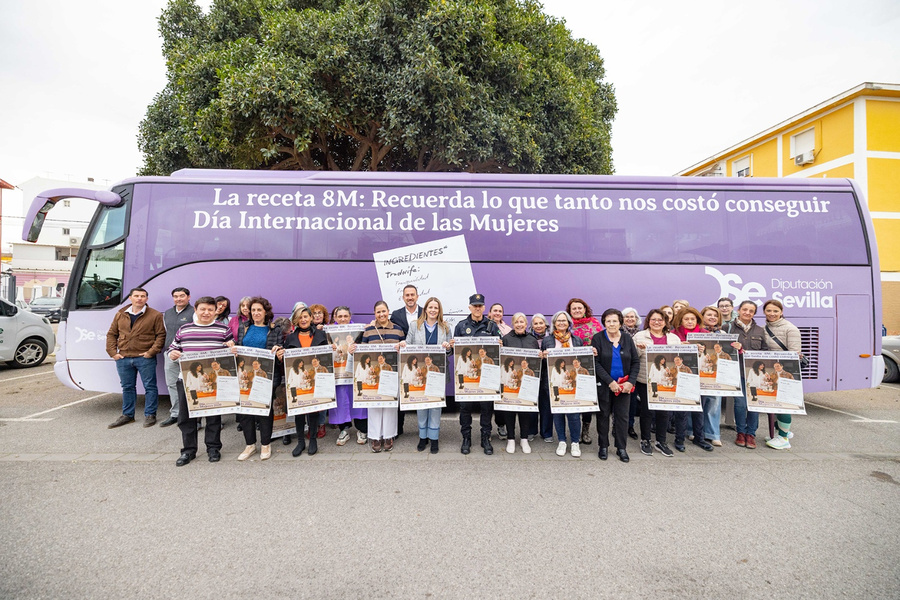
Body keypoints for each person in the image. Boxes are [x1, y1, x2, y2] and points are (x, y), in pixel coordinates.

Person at [166, 296, 235, 466]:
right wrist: (172, 354)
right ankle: (188, 451)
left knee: (213, 416)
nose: (206, 313)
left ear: (215, 311)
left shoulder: (223, 329)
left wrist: (233, 349)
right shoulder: (184, 329)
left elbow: (230, 347)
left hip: (212, 382)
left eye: (210, 310)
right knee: (186, 417)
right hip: (187, 380)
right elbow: (173, 348)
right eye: (203, 309)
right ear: (195, 310)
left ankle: (213, 448)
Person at [106, 287, 166, 428]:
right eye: (136, 296)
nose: (139, 298)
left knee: (150, 387)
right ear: (130, 298)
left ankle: (150, 414)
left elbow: (161, 335)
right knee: (127, 387)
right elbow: (111, 334)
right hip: (124, 357)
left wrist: (151, 352)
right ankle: (128, 415)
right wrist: (113, 353)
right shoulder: (120, 314)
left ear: (147, 299)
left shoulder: (155, 315)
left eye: (143, 296)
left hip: (145, 358)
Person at [236, 296, 286, 461]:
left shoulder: (275, 329)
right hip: (245, 376)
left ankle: (265, 444)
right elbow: (239, 347)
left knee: (264, 410)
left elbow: (281, 352)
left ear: (266, 312)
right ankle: (250, 445)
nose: (256, 313)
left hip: (266, 376)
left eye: (259, 310)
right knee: (245, 412)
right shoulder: (244, 328)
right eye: (253, 310)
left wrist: (279, 352)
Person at [403, 296, 453, 454]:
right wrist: (402, 345)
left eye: (436, 308)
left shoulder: (445, 327)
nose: (433, 310)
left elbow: (450, 351)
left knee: (436, 405)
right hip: (420, 372)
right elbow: (408, 345)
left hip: (437, 372)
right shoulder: (414, 325)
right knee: (421, 404)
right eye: (430, 307)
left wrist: (447, 347)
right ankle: (423, 437)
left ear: (439, 311)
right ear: (425, 309)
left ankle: (434, 438)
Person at [277, 305, 328, 457]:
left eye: (306, 316)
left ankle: (312, 440)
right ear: (296, 320)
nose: (303, 319)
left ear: (311, 318)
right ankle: (300, 442)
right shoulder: (291, 338)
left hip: (315, 380)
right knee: (298, 412)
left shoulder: (321, 335)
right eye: (300, 317)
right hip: (297, 382)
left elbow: (326, 358)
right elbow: (286, 362)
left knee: (313, 411)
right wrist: (281, 357)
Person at [453, 293, 501, 455]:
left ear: (484, 308)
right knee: (465, 408)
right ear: (470, 307)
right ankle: (466, 438)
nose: (477, 308)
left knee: (486, 408)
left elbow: (498, 354)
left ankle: (485, 438)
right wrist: (452, 346)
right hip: (467, 378)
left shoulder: (492, 326)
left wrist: (500, 345)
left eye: (480, 306)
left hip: (486, 377)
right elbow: (455, 354)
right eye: (475, 305)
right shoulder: (461, 326)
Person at [591, 308, 640, 463]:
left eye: (614, 321)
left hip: (624, 386)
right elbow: (596, 363)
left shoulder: (626, 338)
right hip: (605, 385)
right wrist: (610, 382)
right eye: (608, 321)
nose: (611, 324)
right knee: (603, 416)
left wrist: (630, 382)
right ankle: (603, 446)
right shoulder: (598, 338)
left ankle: (621, 448)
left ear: (620, 322)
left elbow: (635, 362)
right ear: (604, 322)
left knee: (622, 418)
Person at [633, 309, 682, 457]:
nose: (656, 322)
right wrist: (640, 349)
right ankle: (645, 440)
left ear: (665, 322)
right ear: (648, 321)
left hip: (666, 382)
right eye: (653, 319)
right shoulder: (640, 336)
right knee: (647, 411)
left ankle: (661, 441)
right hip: (645, 380)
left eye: (660, 319)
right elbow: (633, 358)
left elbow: (680, 357)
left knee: (664, 411)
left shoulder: (674, 338)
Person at [358, 300, 405, 452]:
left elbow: (404, 351)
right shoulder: (369, 330)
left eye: (383, 311)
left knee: (390, 406)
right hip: (374, 375)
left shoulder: (398, 330)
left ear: (388, 311)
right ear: (374, 314)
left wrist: (402, 347)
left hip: (392, 374)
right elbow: (363, 351)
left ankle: (389, 435)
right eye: (378, 312)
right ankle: (375, 437)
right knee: (374, 406)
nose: (381, 314)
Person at [541, 311, 587, 457]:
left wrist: (591, 352)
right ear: (554, 323)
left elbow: (583, 359)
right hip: (554, 383)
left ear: (569, 323)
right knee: (558, 413)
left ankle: (574, 443)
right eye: (558, 321)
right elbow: (544, 364)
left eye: (564, 320)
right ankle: (561, 441)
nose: (561, 323)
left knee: (574, 414)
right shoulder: (548, 341)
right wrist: (542, 356)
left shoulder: (577, 340)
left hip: (573, 383)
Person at [724, 300, 768, 449]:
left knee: (754, 404)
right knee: (741, 404)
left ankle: (751, 434)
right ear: (739, 310)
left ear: (754, 313)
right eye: (745, 309)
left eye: (751, 311)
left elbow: (765, 352)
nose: (747, 313)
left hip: (754, 374)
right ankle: (741, 432)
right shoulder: (728, 328)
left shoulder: (760, 330)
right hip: (737, 373)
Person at [669, 307, 713, 452]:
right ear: (680, 320)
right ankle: (679, 439)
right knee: (682, 410)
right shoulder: (674, 335)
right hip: (682, 378)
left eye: (692, 319)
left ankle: (699, 438)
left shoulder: (706, 334)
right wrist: (680, 346)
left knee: (699, 409)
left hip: (702, 379)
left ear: (698, 320)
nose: (689, 321)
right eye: (686, 319)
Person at [762, 298, 802, 450]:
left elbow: (794, 353)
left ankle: (784, 437)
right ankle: (780, 432)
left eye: (775, 311)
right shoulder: (766, 328)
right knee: (774, 403)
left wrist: (783, 372)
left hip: (786, 372)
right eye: (769, 311)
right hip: (773, 371)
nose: (772, 314)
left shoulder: (790, 329)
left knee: (784, 405)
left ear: (781, 312)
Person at [328, 306, 368, 446]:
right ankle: (344, 429)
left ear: (350, 317)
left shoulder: (359, 331)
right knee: (341, 400)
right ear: (335, 318)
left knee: (357, 400)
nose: (343, 319)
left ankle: (362, 429)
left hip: (354, 372)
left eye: (346, 316)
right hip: (338, 374)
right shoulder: (329, 332)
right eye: (340, 316)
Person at [500, 312, 539, 454]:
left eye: (522, 322)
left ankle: (524, 439)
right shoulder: (506, 339)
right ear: (513, 324)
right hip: (511, 381)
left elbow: (536, 362)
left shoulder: (532, 340)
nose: (519, 324)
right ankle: (511, 439)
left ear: (526, 324)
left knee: (525, 411)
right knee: (509, 410)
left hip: (527, 382)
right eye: (516, 322)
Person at [567, 298, 603, 445]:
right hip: (571, 368)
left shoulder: (595, 325)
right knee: (572, 398)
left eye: (579, 308)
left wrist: (596, 351)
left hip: (590, 367)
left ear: (585, 309)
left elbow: (602, 344)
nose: (577, 311)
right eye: (574, 309)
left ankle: (585, 431)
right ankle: (574, 431)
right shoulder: (566, 326)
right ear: (570, 311)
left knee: (587, 399)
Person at [161, 287, 195, 427]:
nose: (179, 299)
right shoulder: (167, 313)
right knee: (172, 384)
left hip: (187, 354)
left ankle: (194, 415)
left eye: (182, 296)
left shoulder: (194, 312)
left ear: (188, 297)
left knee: (191, 385)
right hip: (170, 353)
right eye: (176, 296)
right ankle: (176, 413)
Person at [699, 305, 726, 446]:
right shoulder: (696, 332)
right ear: (702, 316)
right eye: (709, 315)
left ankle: (712, 433)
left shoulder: (724, 335)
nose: (712, 318)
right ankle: (692, 431)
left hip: (717, 375)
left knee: (714, 403)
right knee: (696, 402)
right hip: (698, 373)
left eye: (715, 316)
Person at [529, 313, 553, 442]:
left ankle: (546, 432)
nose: (538, 326)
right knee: (532, 403)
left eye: (541, 323)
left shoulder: (551, 338)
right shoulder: (528, 337)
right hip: (533, 374)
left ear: (546, 324)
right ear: (532, 326)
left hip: (547, 374)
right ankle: (531, 431)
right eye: (535, 323)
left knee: (546, 404)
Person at [621, 307, 641, 439]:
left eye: (632, 317)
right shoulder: (618, 332)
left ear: (636, 319)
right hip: (622, 371)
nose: (629, 319)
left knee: (633, 402)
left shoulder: (642, 333)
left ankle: (630, 426)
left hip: (637, 372)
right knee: (620, 402)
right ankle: (617, 427)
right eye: (627, 317)